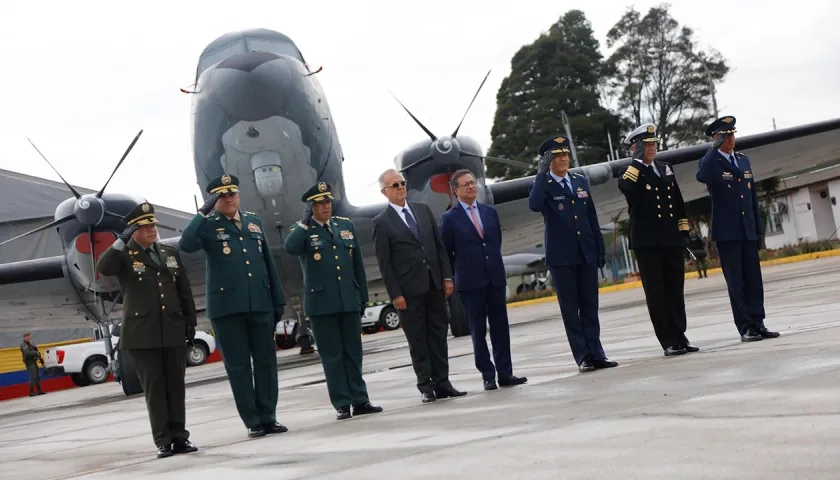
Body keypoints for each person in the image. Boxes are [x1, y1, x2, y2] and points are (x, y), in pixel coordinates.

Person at [178, 174, 288, 438]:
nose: (228, 199)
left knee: (266, 363)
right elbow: (186, 244)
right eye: (221, 196)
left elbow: (266, 263)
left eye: (232, 194)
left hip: (259, 303)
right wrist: (201, 213)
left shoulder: (253, 222)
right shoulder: (207, 225)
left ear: (238, 195)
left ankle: (268, 416)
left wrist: (277, 300)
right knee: (238, 367)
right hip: (227, 309)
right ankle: (252, 421)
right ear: (214, 200)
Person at [96, 202, 198, 458]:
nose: (152, 229)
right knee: (154, 388)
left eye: (153, 224)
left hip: (173, 327)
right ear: (133, 231)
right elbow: (103, 267)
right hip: (142, 334)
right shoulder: (124, 254)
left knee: (176, 386)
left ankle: (180, 437)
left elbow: (183, 289)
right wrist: (120, 240)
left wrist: (190, 321)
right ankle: (163, 440)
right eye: (145, 226)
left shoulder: (168, 252)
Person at [284, 182, 383, 420]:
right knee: (332, 356)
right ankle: (341, 402)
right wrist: (305, 221)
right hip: (322, 305)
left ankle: (361, 399)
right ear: (311, 207)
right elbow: (291, 247)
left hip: (348, 300)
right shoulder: (302, 231)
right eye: (320, 203)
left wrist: (362, 298)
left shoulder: (344, 226)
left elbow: (357, 265)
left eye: (328, 201)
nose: (326, 206)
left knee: (353, 353)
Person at [372, 168, 467, 403]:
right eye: (395, 185)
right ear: (385, 192)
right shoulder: (381, 222)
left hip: (434, 284)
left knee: (438, 335)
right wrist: (395, 294)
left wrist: (447, 277)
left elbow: (438, 247)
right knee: (418, 340)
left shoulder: (422, 211)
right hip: (408, 291)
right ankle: (426, 386)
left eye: (402, 183)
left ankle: (443, 383)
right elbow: (385, 264)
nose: (401, 187)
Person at [527, 135, 618, 373]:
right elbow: (535, 205)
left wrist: (599, 249)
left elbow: (591, 217)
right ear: (548, 161)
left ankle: (597, 353)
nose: (564, 160)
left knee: (590, 306)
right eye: (557, 157)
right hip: (562, 258)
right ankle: (583, 356)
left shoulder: (579, 182)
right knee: (570, 309)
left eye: (566, 155)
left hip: (586, 253)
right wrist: (540, 174)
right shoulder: (543, 184)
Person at [438, 169, 527, 391]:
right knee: (478, 331)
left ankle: (505, 373)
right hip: (470, 282)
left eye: (472, 182)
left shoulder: (489, 212)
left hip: (494, 278)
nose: (471, 187)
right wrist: (451, 277)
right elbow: (445, 253)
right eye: (465, 184)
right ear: (455, 190)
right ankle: (488, 375)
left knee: (500, 328)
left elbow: (495, 241)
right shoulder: (449, 218)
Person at [618, 123, 699, 357]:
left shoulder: (665, 168)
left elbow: (678, 200)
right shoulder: (631, 172)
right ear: (636, 147)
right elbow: (626, 188)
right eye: (647, 145)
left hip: (671, 238)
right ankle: (667, 340)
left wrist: (683, 230)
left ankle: (680, 335)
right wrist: (636, 163)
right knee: (657, 292)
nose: (652, 148)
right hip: (648, 242)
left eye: (654, 144)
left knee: (675, 289)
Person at [696, 116, 780, 342]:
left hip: (747, 230)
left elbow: (751, 197)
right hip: (728, 233)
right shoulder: (712, 162)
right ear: (716, 138)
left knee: (753, 279)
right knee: (736, 281)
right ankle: (745, 327)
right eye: (725, 135)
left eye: (732, 134)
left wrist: (757, 229)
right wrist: (711, 150)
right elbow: (701, 175)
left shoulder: (743, 161)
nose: (731, 138)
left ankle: (758, 322)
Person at [20, 332, 45, 397]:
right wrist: (35, 352)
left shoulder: (30, 344)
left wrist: (37, 356)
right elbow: (27, 353)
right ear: (24, 337)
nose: (29, 338)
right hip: (29, 363)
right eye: (28, 336)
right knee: (33, 377)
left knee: (38, 376)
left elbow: (33, 352)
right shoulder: (23, 345)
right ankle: (31, 392)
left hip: (34, 362)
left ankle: (39, 390)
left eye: (29, 336)